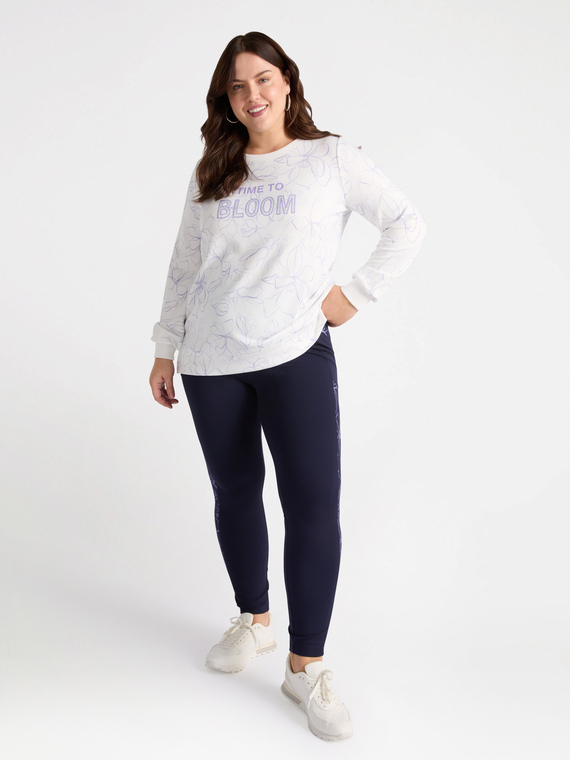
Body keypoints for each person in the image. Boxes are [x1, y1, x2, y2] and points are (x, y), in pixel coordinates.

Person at [149, 30, 427, 742]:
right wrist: (165, 346)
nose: (253, 95)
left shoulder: (330, 158)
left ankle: (306, 665)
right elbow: (185, 261)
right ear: (226, 100)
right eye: (238, 87)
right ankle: (254, 619)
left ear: (288, 82)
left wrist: (355, 293)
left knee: (311, 506)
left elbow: (405, 223)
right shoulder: (214, 168)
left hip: (295, 351)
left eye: (264, 79)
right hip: (210, 360)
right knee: (235, 491)